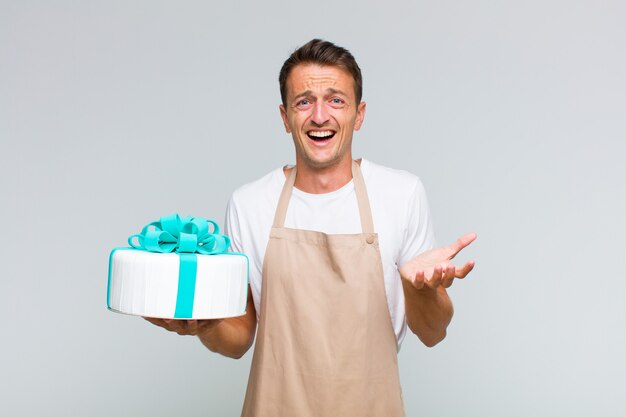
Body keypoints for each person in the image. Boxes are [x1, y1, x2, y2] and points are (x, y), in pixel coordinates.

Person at [146, 39, 476, 416]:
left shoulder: (401, 194)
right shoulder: (250, 203)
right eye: (304, 101)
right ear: (285, 117)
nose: (320, 116)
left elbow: (433, 333)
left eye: (336, 100)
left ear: (359, 114)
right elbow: (238, 338)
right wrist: (203, 324)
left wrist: (418, 289)